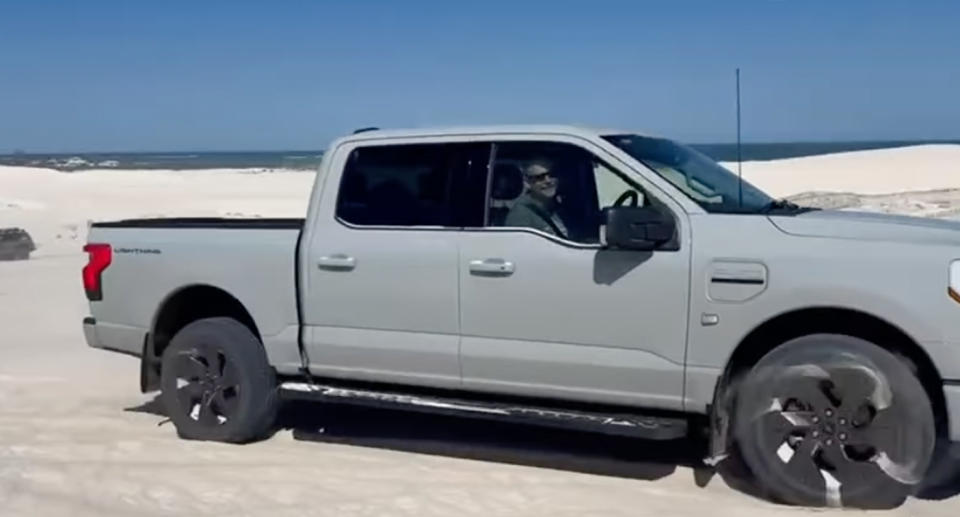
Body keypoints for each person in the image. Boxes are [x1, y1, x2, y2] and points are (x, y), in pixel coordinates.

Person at [504, 158, 569, 238]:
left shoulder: (562, 209)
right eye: (540, 177)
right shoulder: (520, 215)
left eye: (552, 174)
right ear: (527, 183)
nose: (548, 180)